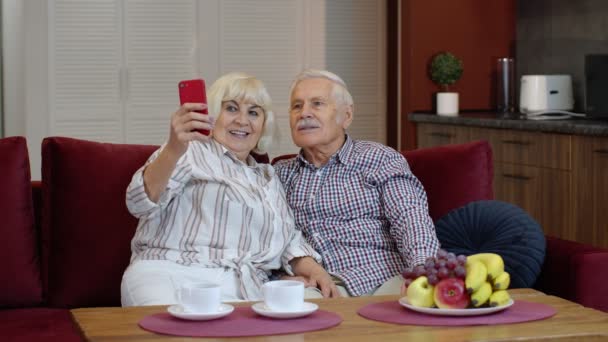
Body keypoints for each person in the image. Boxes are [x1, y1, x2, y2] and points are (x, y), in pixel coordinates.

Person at [121, 72, 338, 306]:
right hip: (170, 273)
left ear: (264, 125)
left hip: (241, 287)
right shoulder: (191, 151)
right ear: (212, 115)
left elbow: (287, 240)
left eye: (253, 112)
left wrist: (315, 270)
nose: (243, 121)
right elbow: (139, 203)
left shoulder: (266, 177)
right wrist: (174, 148)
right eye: (232, 109)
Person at [274, 69, 440, 297]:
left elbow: (410, 218)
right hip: (322, 285)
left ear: (347, 116)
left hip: (384, 278)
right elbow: (268, 238)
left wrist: (423, 272)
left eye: (317, 104)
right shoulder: (279, 175)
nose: (304, 113)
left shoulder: (379, 158)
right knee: (290, 303)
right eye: (297, 106)